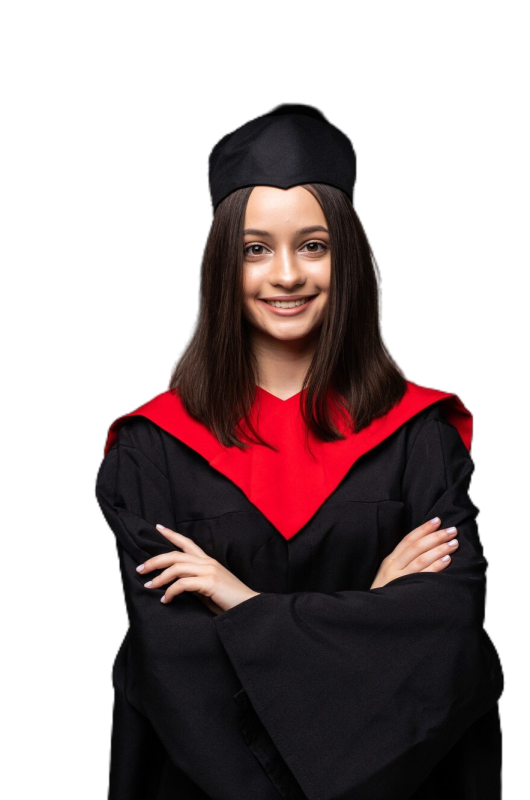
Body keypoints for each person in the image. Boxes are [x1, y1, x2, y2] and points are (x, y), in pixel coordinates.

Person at [94, 102, 505, 800]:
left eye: (312, 245)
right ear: (224, 264)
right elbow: (174, 668)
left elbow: (447, 641)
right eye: (257, 248)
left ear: (348, 257)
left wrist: (242, 603)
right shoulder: (152, 450)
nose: (286, 274)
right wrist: (370, 613)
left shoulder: (418, 437)